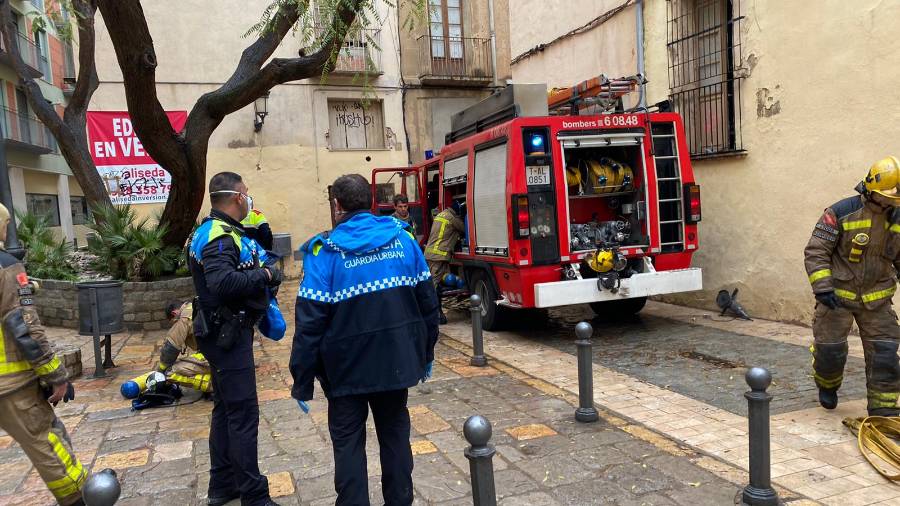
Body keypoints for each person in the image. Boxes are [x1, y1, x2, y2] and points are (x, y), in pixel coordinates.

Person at [290, 174, 440, 506]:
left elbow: (309, 323)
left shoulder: (324, 252)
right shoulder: (403, 241)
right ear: (372, 202)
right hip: (395, 366)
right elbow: (428, 302)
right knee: (396, 439)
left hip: (344, 372)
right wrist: (426, 352)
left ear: (337, 205)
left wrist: (302, 379)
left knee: (348, 447)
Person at [188, 172, 283, 506]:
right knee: (243, 415)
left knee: (226, 409)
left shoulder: (215, 230)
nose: (249, 198)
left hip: (220, 334)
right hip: (226, 336)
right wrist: (267, 275)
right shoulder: (218, 236)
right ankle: (253, 496)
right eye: (246, 193)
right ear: (236, 197)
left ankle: (223, 486)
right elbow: (223, 283)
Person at [0, 203, 85, 506]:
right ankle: (79, 498)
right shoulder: (6, 266)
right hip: (12, 386)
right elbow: (23, 325)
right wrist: (56, 375)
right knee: (49, 443)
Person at [805, 156, 900, 417]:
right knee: (830, 352)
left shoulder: (898, 217)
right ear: (871, 189)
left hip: (877, 300)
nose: (892, 203)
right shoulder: (839, 213)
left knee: (886, 355)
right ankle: (827, 385)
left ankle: (884, 409)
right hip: (836, 299)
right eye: (888, 197)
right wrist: (823, 288)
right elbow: (816, 252)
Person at [156, 300, 212, 393]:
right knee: (192, 358)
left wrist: (161, 371)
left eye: (173, 321)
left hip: (216, 359)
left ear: (174, 313)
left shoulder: (184, 318)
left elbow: (171, 347)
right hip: (235, 354)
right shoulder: (198, 306)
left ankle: (215, 386)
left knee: (171, 372)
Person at [424, 200, 465, 324]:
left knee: (435, 283)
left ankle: (436, 313)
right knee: (433, 286)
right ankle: (433, 314)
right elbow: (464, 228)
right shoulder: (452, 218)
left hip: (430, 254)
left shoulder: (441, 214)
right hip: (439, 256)